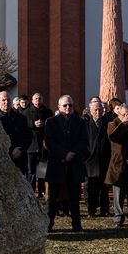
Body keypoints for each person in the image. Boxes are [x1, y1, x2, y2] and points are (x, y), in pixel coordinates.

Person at [43, 95, 88, 232]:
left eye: (70, 105)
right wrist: (63, 154)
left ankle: (77, 225)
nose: (68, 107)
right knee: (52, 198)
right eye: (65, 105)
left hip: (74, 164)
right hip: (57, 164)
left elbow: (84, 142)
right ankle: (48, 225)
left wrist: (71, 154)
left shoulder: (80, 122)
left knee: (74, 198)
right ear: (59, 106)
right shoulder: (51, 122)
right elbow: (49, 142)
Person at [82, 96, 112, 217]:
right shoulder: (85, 124)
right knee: (90, 188)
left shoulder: (107, 123)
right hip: (90, 160)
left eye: (100, 110)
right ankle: (91, 210)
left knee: (104, 188)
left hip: (104, 159)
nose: (98, 112)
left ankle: (105, 210)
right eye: (95, 110)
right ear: (90, 110)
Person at [0, 90, 31, 174]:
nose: (6, 102)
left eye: (8, 100)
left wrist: (20, 149)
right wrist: (10, 151)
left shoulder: (21, 118)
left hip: (19, 160)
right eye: (3, 100)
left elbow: (28, 136)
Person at [25, 92, 52, 198]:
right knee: (31, 171)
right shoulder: (26, 112)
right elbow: (24, 125)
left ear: (42, 100)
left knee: (42, 171)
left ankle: (42, 191)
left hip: (43, 147)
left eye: (40, 98)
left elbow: (52, 125)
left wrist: (44, 123)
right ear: (32, 100)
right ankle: (31, 191)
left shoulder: (48, 112)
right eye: (36, 98)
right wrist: (33, 124)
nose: (38, 100)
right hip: (31, 146)